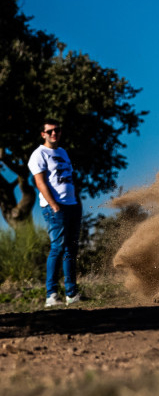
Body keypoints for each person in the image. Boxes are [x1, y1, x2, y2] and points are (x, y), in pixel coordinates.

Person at [27, 119, 81, 307]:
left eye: (57, 130)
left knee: (70, 249)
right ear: (43, 134)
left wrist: (75, 201)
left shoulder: (63, 152)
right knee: (58, 248)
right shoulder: (38, 154)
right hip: (54, 208)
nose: (54, 134)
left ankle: (71, 294)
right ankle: (51, 295)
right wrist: (54, 205)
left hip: (72, 204)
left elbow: (69, 179)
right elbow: (40, 182)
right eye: (49, 131)